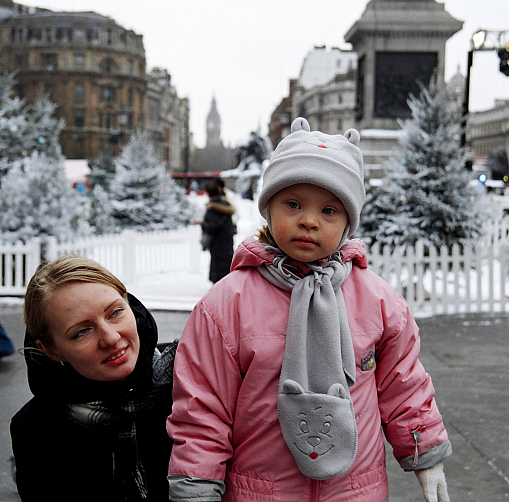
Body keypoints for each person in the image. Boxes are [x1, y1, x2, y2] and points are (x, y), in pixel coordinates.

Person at [167, 117, 452, 502]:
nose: (308, 221)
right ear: (269, 209)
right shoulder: (226, 305)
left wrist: (425, 452)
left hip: (354, 492)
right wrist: (197, 486)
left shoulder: (379, 302)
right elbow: (202, 406)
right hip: (261, 492)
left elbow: (404, 387)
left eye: (329, 211)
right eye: (293, 204)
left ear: (349, 221)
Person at [11, 255, 176, 502]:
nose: (110, 338)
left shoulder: (186, 381)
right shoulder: (36, 431)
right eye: (81, 332)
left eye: (115, 312)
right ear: (52, 350)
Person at [201, 179, 235, 283]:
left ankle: (219, 287)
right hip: (227, 240)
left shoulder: (212, 207)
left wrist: (202, 224)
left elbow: (213, 226)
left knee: (218, 265)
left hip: (217, 242)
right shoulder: (226, 204)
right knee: (227, 263)